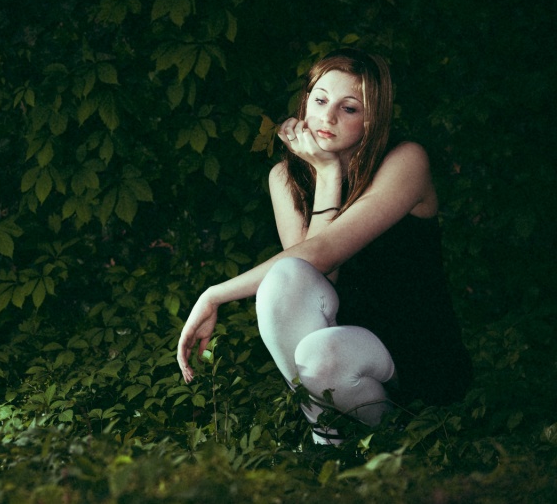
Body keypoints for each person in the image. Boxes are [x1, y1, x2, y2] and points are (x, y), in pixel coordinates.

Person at [176, 48, 472, 445]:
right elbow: (307, 277)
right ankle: (329, 440)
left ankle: (412, 440)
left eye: (349, 108)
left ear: (373, 120)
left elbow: (324, 253)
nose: (327, 117)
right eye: (319, 100)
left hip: (417, 350)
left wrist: (214, 295)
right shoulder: (285, 177)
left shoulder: (405, 161)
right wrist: (328, 175)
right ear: (304, 102)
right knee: (288, 287)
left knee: (322, 349)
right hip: (339, 345)